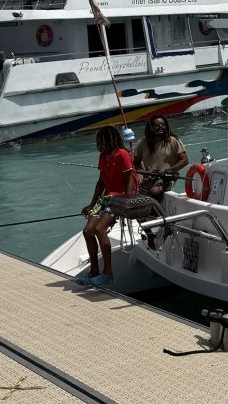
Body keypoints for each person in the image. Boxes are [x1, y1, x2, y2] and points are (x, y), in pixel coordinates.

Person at [79, 126, 136, 284]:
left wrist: (127, 200)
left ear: (112, 140)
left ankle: (108, 273)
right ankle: (94, 271)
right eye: (99, 142)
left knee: (99, 229)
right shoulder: (103, 156)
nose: (101, 145)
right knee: (88, 231)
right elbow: (101, 181)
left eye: (103, 142)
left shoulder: (122, 154)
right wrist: (91, 204)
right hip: (106, 197)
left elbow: (130, 178)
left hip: (119, 198)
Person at [133, 115, 188, 203]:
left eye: (163, 124)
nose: (160, 127)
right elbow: (136, 162)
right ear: (150, 127)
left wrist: (168, 170)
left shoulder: (173, 141)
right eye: (156, 125)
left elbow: (184, 160)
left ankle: (155, 212)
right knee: (136, 195)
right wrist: (143, 173)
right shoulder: (143, 143)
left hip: (167, 177)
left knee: (154, 191)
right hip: (149, 177)